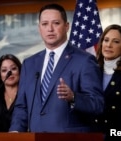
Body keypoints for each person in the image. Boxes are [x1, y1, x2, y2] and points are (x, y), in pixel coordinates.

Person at [9, 3, 104, 133]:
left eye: (56, 23)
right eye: (45, 24)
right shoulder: (29, 64)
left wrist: (74, 97)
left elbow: (97, 104)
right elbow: (21, 106)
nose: (50, 29)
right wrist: (15, 132)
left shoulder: (85, 61)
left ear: (67, 26)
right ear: (39, 29)